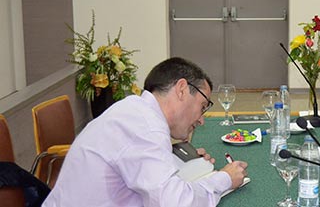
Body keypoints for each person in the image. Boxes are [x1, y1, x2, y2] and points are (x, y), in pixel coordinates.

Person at [43, 57, 248, 207]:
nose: (202, 120)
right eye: (203, 106)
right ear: (182, 89)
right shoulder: (145, 127)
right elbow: (175, 203)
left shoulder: (135, 110)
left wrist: (180, 163)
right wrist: (224, 179)